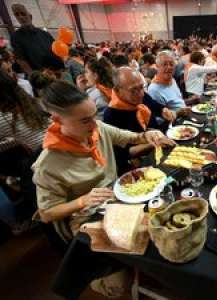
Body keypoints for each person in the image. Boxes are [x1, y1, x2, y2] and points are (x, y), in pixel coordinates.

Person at [32, 80, 174, 243]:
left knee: (164, 213)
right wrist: (82, 200)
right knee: (149, 236)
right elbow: (46, 213)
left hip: (117, 198)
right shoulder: (48, 164)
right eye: (85, 120)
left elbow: (128, 136)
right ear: (57, 119)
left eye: (94, 115)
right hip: (87, 216)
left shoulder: (97, 128)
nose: (94, 124)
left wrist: (147, 135)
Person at [103, 67, 184, 174]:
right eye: (133, 90)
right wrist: (153, 143)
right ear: (118, 90)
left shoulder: (141, 95)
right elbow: (123, 154)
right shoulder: (111, 114)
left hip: (160, 145)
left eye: (142, 87)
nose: (141, 94)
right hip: (142, 164)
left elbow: (156, 107)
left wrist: (164, 111)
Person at [0, 70, 48, 227]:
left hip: (42, 169)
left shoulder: (3, 117)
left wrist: (13, 142)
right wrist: (15, 141)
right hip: (57, 153)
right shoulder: (30, 101)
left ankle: (20, 222)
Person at [10, 4, 63, 75]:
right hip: (42, 77)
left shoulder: (45, 34)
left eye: (23, 14)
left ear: (30, 16)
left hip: (58, 72)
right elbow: (21, 60)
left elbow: (57, 52)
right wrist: (33, 76)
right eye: (17, 15)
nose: (21, 17)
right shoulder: (16, 37)